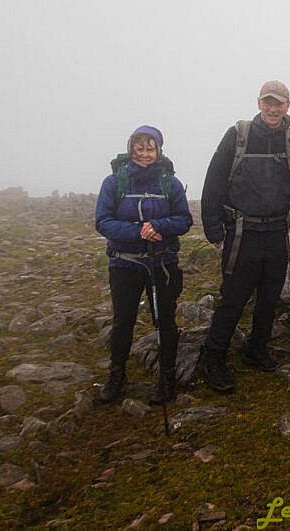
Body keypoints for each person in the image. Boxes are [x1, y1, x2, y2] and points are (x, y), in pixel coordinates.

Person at [200, 81, 290, 393]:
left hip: (276, 234)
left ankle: (255, 348)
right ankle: (214, 356)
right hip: (241, 234)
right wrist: (213, 226)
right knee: (233, 298)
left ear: (288, 105)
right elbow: (214, 180)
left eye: (279, 103)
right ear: (259, 103)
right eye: (267, 102)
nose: (273, 109)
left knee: (269, 299)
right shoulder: (238, 136)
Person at [95, 126, 192, 404]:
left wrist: (158, 226)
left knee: (165, 322)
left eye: (150, 148)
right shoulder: (114, 183)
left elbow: (184, 220)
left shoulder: (169, 184)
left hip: (162, 262)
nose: (145, 154)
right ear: (130, 150)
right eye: (139, 148)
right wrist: (139, 232)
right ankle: (117, 375)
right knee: (123, 321)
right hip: (124, 264)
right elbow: (103, 222)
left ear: (159, 150)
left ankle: (166, 376)